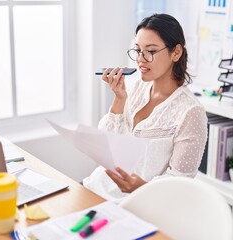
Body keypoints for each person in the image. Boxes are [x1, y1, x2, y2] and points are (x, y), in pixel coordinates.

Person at [83, 14, 208, 203]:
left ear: (176, 52)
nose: (141, 59)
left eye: (150, 51)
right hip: (95, 187)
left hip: (136, 205)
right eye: (138, 50)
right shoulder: (133, 86)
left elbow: (179, 185)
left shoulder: (191, 113)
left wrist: (140, 188)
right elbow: (108, 146)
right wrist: (119, 99)